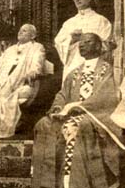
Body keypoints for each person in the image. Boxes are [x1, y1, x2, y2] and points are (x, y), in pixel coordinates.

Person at [32, 33, 124, 188]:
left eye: (87, 42)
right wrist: (57, 107)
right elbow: (62, 94)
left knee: (79, 126)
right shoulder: (74, 72)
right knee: (44, 124)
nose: (81, 45)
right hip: (69, 113)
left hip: (95, 116)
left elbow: (106, 97)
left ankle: (76, 183)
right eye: (80, 42)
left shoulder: (107, 70)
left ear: (97, 46)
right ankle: (47, 183)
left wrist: (78, 107)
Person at [54, 0, 113, 80]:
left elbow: (107, 45)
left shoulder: (101, 20)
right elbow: (58, 42)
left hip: (93, 64)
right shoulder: (69, 22)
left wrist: (89, 41)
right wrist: (71, 40)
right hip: (72, 64)